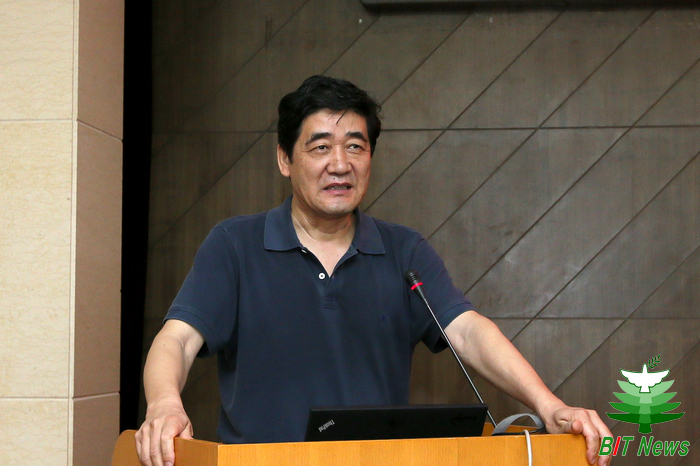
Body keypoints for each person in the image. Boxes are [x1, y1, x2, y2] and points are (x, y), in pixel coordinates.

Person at [135, 75, 612, 466]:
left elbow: (468, 332)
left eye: (355, 147)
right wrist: (163, 404)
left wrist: (549, 405)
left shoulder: (404, 250)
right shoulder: (233, 245)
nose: (339, 164)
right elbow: (177, 339)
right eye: (320, 147)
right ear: (285, 159)